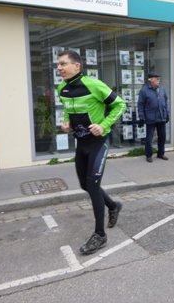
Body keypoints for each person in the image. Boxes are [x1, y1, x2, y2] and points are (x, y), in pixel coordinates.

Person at [56, 50, 125, 255]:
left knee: (93, 186)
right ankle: (113, 206)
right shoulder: (62, 88)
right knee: (85, 184)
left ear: (77, 66)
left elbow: (120, 105)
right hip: (81, 144)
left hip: (98, 143)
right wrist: (67, 121)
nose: (59, 68)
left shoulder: (94, 84)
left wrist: (104, 125)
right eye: (58, 64)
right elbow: (68, 108)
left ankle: (100, 235)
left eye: (63, 64)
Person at [137, 73, 170, 163]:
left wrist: (167, 114)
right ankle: (148, 155)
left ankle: (161, 153)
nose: (159, 81)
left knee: (162, 137)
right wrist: (141, 117)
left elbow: (166, 102)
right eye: (157, 79)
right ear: (151, 80)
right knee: (149, 138)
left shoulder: (162, 89)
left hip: (161, 117)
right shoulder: (144, 90)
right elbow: (140, 105)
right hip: (150, 118)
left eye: (159, 79)